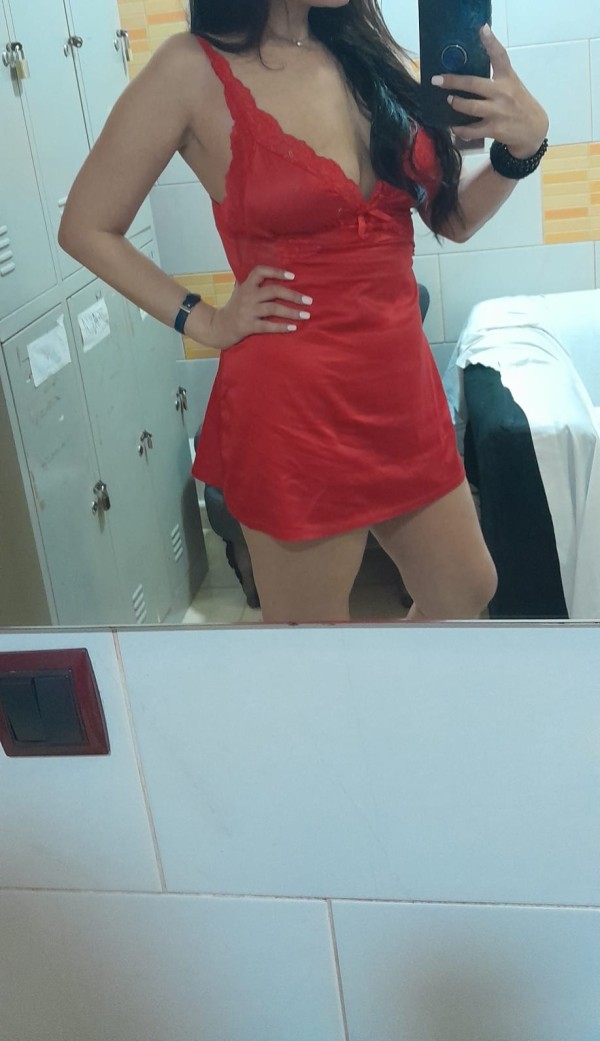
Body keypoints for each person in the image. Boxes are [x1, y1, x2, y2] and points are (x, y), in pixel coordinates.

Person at [59, 0, 549, 624]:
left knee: (466, 590)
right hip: (294, 404)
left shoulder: (364, 54)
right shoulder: (190, 69)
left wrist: (519, 153)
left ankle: (387, 688)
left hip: (400, 384)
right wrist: (205, 321)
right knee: (310, 640)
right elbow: (86, 225)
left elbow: (448, 219)